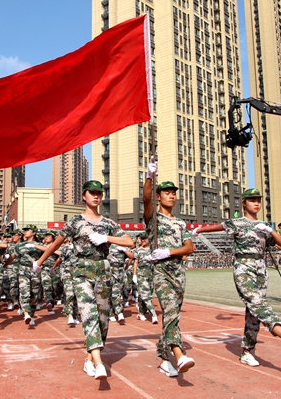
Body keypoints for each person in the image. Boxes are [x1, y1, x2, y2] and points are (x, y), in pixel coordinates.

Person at [193, 188, 281, 367]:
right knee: (258, 304)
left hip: (261, 269)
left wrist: (269, 230)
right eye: (252, 200)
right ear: (244, 203)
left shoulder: (263, 226)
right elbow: (218, 226)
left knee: (253, 314)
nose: (256, 203)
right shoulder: (237, 222)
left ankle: (247, 351)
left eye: (258, 200)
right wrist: (199, 230)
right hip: (244, 266)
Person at [35, 180, 134, 380]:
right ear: (84, 195)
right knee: (88, 313)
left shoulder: (108, 224)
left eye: (99, 193)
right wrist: (39, 262)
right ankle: (99, 363)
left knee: (103, 318)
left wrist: (107, 238)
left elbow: (129, 242)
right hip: (81, 269)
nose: (96, 196)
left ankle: (90, 358)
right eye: (92, 192)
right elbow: (56, 243)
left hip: (102, 269)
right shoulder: (75, 222)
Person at [142, 157, 195, 378]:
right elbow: (145, 199)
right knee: (171, 310)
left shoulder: (181, 222)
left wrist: (170, 252)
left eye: (173, 192)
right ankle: (178, 354)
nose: (171, 195)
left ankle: (163, 359)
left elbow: (189, 247)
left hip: (177, 272)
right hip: (161, 272)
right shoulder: (153, 218)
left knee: (173, 316)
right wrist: (149, 176)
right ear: (159, 196)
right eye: (166, 192)